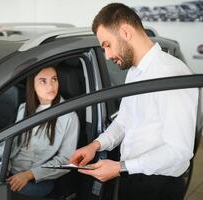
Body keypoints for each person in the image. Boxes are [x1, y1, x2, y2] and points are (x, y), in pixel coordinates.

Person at [69, 3, 198, 200]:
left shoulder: (171, 74)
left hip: (158, 185)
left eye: (107, 45)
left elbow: (179, 151)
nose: (108, 55)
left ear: (125, 32)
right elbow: (124, 120)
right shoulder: (134, 72)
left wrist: (120, 167)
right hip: (132, 175)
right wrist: (95, 145)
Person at [7, 66, 80, 197]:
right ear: (32, 85)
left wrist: (29, 175)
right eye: (43, 81)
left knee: (2, 193)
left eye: (54, 79)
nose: (51, 86)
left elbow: (67, 160)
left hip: (39, 179)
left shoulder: (68, 116)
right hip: (11, 171)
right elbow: (12, 144)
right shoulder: (24, 108)